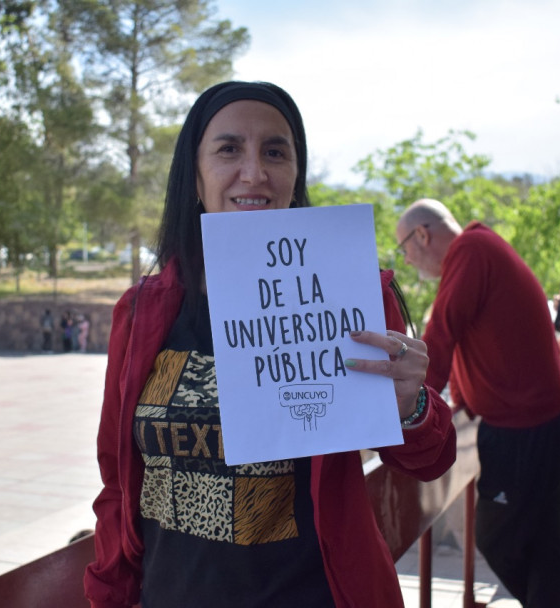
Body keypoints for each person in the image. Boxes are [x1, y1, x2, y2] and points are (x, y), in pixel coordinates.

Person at [84, 81, 457, 608]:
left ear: (295, 174)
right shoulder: (141, 312)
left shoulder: (350, 294)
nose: (254, 172)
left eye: (275, 152)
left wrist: (412, 404)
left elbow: (429, 460)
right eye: (229, 149)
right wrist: (109, 593)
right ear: (194, 174)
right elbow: (118, 484)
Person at [397, 199, 560, 607]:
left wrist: (412, 408)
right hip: (539, 413)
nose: (406, 262)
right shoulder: (479, 248)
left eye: (403, 250)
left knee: (497, 536)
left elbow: (440, 334)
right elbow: (464, 339)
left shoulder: (472, 251)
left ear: (421, 235)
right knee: (544, 531)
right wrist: (456, 400)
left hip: (524, 422)